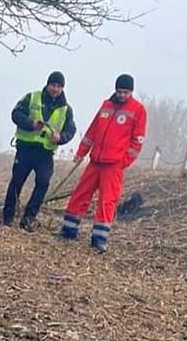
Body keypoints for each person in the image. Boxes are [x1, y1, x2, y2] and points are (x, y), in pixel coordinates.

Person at [59, 74, 147, 253]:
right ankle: (68, 230)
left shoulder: (138, 110)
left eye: (126, 92)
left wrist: (124, 162)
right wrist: (81, 152)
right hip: (95, 160)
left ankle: (98, 238)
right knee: (80, 194)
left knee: (107, 201)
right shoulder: (106, 105)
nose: (122, 95)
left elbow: (137, 141)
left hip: (114, 164)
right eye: (120, 91)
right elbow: (92, 131)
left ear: (131, 91)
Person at [3, 71, 76, 230]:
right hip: (25, 149)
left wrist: (61, 138)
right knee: (16, 182)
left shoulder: (66, 109)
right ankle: (7, 218)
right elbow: (15, 114)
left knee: (43, 183)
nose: (55, 89)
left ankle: (28, 218)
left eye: (59, 86)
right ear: (47, 84)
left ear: (63, 88)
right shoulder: (31, 97)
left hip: (45, 153)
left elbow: (71, 130)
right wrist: (31, 124)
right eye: (53, 85)